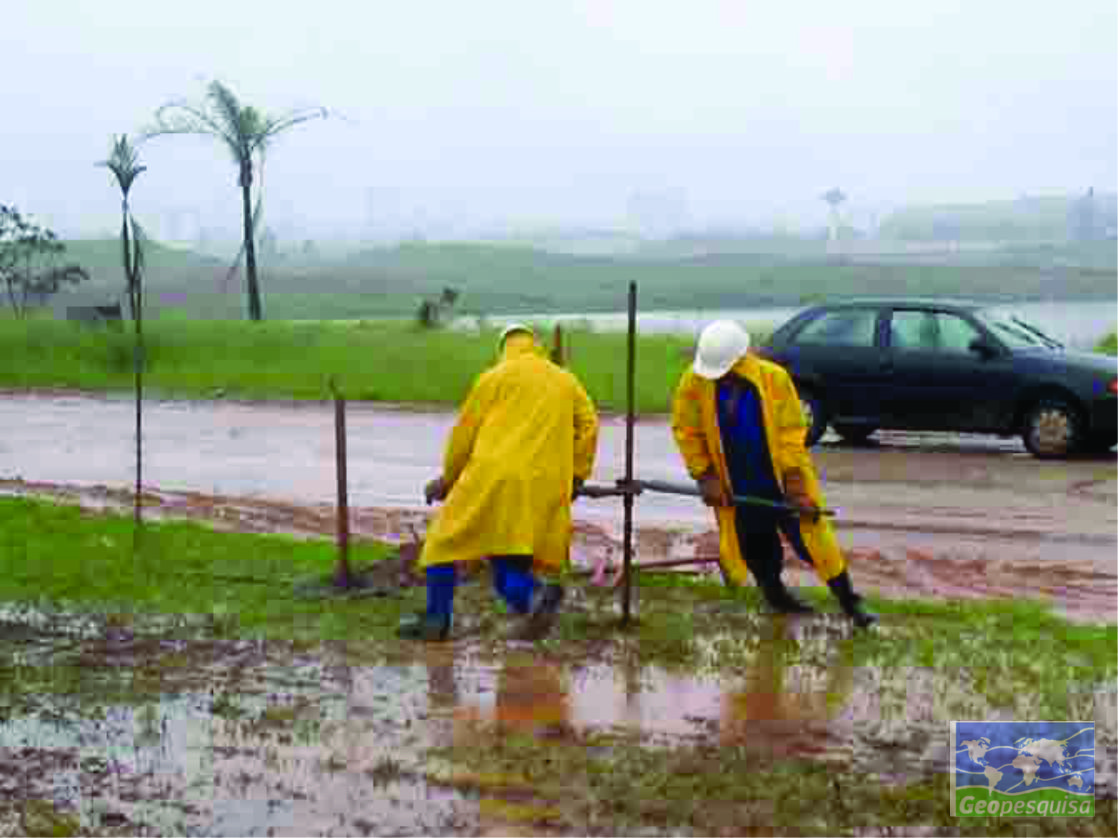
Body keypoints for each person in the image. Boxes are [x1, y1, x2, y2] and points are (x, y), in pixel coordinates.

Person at [399, 324, 599, 641]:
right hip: (544, 481)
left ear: (504, 347)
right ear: (535, 346)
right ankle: (533, 600)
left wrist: (448, 479)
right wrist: (577, 475)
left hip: (491, 477)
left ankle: (436, 620)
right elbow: (589, 423)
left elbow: (463, 438)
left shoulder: (493, 378)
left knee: (442, 544)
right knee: (508, 557)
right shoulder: (565, 380)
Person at [671, 320, 877, 628]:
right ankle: (775, 596)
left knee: (814, 542)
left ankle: (850, 602)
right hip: (736, 479)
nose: (722, 377)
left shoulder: (773, 379)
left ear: (742, 357)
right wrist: (705, 476)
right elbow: (687, 431)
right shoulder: (694, 382)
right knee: (755, 543)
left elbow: (791, 432)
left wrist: (795, 485)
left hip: (781, 477)